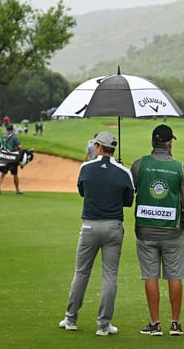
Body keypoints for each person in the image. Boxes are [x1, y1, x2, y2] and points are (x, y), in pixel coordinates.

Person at [59, 131, 135, 337]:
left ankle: (71, 319)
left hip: (89, 227)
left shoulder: (86, 167)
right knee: (110, 275)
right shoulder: (124, 171)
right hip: (113, 227)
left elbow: (82, 191)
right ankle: (103, 325)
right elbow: (128, 201)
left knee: (81, 273)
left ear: (100, 147)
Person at [131, 124, 184, 337]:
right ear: (169, 144)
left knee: (150, 275)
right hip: (172, 231)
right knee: (175, 276)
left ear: (152, 143)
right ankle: (175, 324)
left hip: (145, 231)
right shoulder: (180, 167)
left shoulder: (139, 165)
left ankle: (155, 323)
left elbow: (128, 193)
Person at [0, 123, 23, 194]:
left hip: (3, 157)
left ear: (6, 129)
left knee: (2, 174)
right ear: (12, 130)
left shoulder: (2, 137)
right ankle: (17, 190)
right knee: (15, 174)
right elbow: (19, 147)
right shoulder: (14, 137)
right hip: (12, 157)